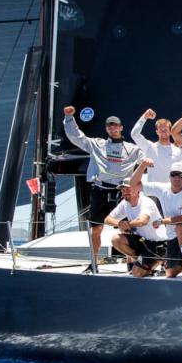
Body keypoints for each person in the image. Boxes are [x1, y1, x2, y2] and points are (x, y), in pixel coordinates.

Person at [63, 105, 142, 269]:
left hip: (122, 192)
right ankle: (94, 263)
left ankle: (131, 263)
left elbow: (149, 155)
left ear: (121, 128)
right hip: (100, 190)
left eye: (115, 125)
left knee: (127, 228)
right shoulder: (97, 144)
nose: (113, 128)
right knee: (96, 229)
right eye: (109, 125)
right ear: (106, 129)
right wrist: (69, 118)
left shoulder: (133, 149)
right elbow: (77, 137)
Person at [130, 159, 182, 278]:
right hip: (171, 235)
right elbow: (133, 184)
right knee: (170, 273)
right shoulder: (162, 188)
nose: (177, 178)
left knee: (180, 228)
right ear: (169, 176)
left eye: (181, 175)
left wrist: (161, 221)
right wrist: (143, 165)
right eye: (174, 174)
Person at [104, 179, 167, 278]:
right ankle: (142, 261)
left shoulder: (146, 202)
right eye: (123, 190)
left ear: (137, 189)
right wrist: (120, 223)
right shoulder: (125, 203)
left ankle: (158, 261)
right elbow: (107, 219)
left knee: (137, 273)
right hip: (142, 242)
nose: (125, 192)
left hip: (157, 244)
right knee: (116, 239)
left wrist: (127, 224)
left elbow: (143, 221)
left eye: (127, 189)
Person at [130, 108, 182, 183]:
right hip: (153, 192)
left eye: (165, 130)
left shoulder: (178, 151)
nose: (163, 132)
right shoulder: (149, 147)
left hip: (172, 192)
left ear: (170, 131)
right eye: (160, 130)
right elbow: (134, 134)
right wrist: (144, 117)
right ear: (157, 132)